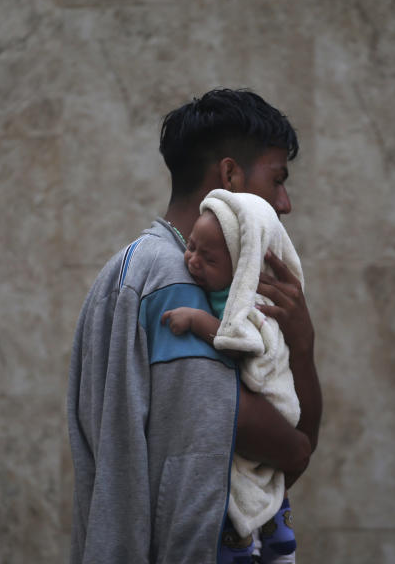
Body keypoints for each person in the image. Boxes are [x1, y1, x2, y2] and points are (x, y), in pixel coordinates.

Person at [67, 89, 322, 564]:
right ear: (229, 175)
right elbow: (284, 450)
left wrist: (301, 346)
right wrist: (301, 352)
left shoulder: (134, 268)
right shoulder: (174, 280)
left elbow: (269, 463)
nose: (284, 203)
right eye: (278, 179)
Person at [161, 189, 305, 564]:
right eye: (190, 246)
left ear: (241, 264)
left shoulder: (250, 304)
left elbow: (243, 344)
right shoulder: (212, 289)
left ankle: (257, 541)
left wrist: (196, 321)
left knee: (250, 490)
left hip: (272, 406)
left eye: (207, 258)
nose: (191, 260)